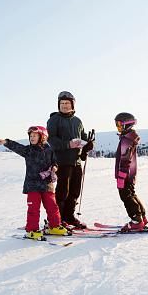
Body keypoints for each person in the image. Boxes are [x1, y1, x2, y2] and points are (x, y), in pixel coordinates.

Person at [0, 126, 68, 240]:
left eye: (35, 135)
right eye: (30, 136)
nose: (32, 138)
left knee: (52, 207)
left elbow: (55, 162)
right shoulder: (28, 150)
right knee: (33, 209)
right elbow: (17, 147)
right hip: (33, 185)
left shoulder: (49, 150)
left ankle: (54, 226)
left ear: (42, 137)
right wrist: (6, 142)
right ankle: (31, 230)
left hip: (47, 184)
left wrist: (54, 167)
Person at [47, 91, 94, 229]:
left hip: (76, 161)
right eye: (62, 103)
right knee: (62, 192)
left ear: (72, 104)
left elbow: (84, 137)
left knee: (74, 191)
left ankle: (69, 216)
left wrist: (89, 143)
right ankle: (58, 219)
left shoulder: (77, 121)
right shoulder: (54, 120)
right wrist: (68, 144)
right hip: (62, 161)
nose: (64, 106)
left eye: (67, 103)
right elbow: (51, 140)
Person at [114, 112, 148, 232]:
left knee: (125, 195)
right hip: (130, 173)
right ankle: (142, 217)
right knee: (131, 193)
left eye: (120, 125)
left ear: (127, 125)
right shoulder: (130, 138)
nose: (118, 128)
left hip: (125, 174)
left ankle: (136, 220)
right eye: (116, 125)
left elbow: (125, 160)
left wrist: (121, 177)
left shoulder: (126, 140)